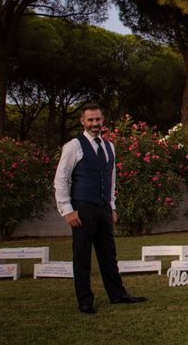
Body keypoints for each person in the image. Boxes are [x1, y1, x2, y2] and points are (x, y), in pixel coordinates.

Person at [54, 103, 146, 314]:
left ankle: (118, 294)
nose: (95, 124)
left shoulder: (109, 146)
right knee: (82, 255)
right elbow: (61, 179)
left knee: (108, 254)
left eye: (98, 120)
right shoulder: (73, 146)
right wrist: (67, 210)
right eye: (90, 120)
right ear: (82, 121)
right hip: (82, 207)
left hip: (104, 207)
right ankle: (85, 300)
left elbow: (110, 178)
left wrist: (112, 205)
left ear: (103, 120)